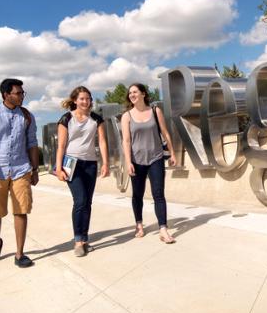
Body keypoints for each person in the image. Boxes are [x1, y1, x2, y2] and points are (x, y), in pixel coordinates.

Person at [0, 78, 39, 268]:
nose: (21, 96)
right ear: (6, 95)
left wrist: (35, 169)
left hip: (21, 169)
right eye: (18, 93)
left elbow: (32, 144)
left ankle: (20, 254)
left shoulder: (27, 116)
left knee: (21, 211)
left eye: (22, 93)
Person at [55, 86, 109, 257]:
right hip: (71, 163)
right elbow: (61, 145)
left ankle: (85, 239)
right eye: (82, 99)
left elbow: (102, 142)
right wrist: (58, 168)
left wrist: (105, 163)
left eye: (88, 98)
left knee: (88, 203)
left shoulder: (96, 119)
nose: (86, 102)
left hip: (90, 164)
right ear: (75, 100)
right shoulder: (66, 119)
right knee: (80, 200)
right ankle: (78, 241)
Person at [121, 83, 177, 243]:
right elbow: (126, 140)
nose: (132, 95)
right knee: (137, 194)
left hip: (156, 157)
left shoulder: (155, 110)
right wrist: (128, 161)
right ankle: (139, 224)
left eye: (135, 92)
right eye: (130, 92)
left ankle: (163, 229)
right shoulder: (127, 116)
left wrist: (172, 152)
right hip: (137, 160)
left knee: (158, 194)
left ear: (143, 94)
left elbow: (165, 132)